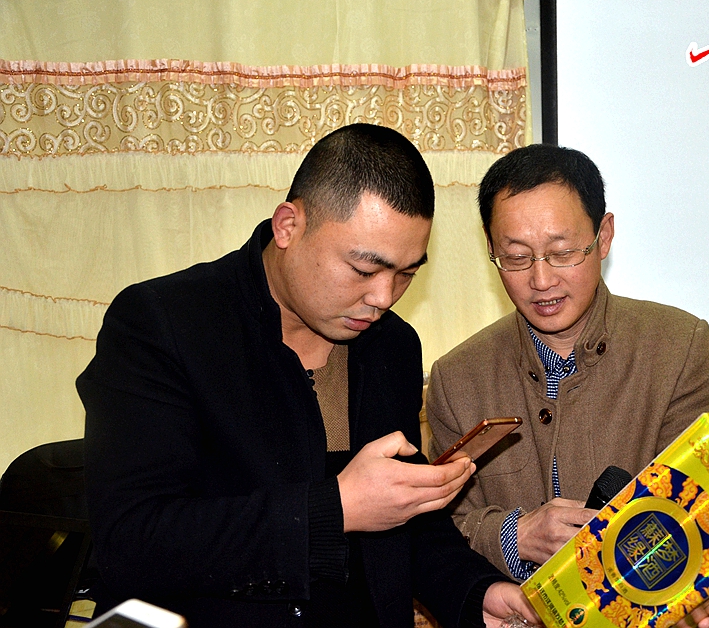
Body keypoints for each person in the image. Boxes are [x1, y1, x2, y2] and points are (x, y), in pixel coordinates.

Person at [77, 124, 537, 628]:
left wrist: (476, 592)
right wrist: (336, 509)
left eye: (406, 273)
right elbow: (132, 542)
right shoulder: (164, 324)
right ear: (288, 226)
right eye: (364, 269)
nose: (383, 297)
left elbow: (405, 525)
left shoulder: (393, 346)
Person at [425, 144, 709, 628]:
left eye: (563, 253)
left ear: (603, 236)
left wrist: (697, 585)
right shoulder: (457, 377)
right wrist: (515, 534)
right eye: (516, 257)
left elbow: (706, 502)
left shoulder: (677, 346)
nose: (541, 279)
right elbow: (438, 529)